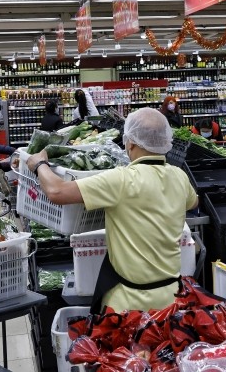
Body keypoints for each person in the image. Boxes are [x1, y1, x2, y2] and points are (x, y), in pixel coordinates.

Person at [25, 107, 198, 313]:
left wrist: (40, 164)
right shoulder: (179, 176)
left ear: (130, 142)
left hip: (130, 305)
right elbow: (193, 202)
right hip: (171, 299)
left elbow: (57, 191)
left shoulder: (121, 179)